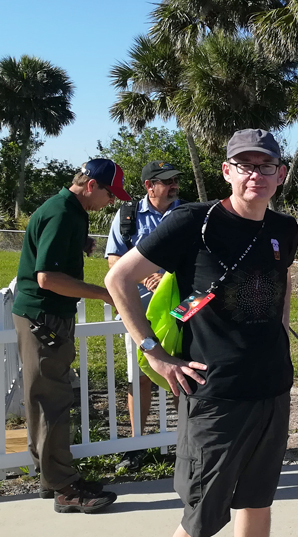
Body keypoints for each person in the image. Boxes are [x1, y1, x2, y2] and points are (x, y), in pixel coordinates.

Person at [105, 129, 298, 537]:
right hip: (214, 397)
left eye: (265, 165)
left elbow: (281, 288)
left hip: (271, 390)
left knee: (257, 502)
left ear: (281, 174)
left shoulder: (283, 229)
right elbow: (118, 279)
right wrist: (154, 352)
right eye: (245, 165)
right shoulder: (195, 221)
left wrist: (281, 338)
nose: (256, 174)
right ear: (227, 171)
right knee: (201, 516)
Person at [11, 158, 131, 513]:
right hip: (43, 318)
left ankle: (52, 476)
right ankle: (64, 487)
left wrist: (79, 246)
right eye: (110, 194)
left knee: (49, 397)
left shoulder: (69, 210)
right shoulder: (62, 213)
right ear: (91, 185)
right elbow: (47, 277)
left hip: (45, 316)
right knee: (52, 401)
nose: (111, 202)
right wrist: (106, 293)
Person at [104, 160, 183, 471]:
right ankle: (137, 445)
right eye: (166, 181)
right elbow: (114, 260)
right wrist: (143, 278)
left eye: (176, 180)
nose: (173, 185)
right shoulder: (127, 216)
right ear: (149, 186)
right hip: (138, 310)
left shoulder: (185, 213)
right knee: (139, 376)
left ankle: (187, 441)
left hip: (181, 310)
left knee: (182, 370)